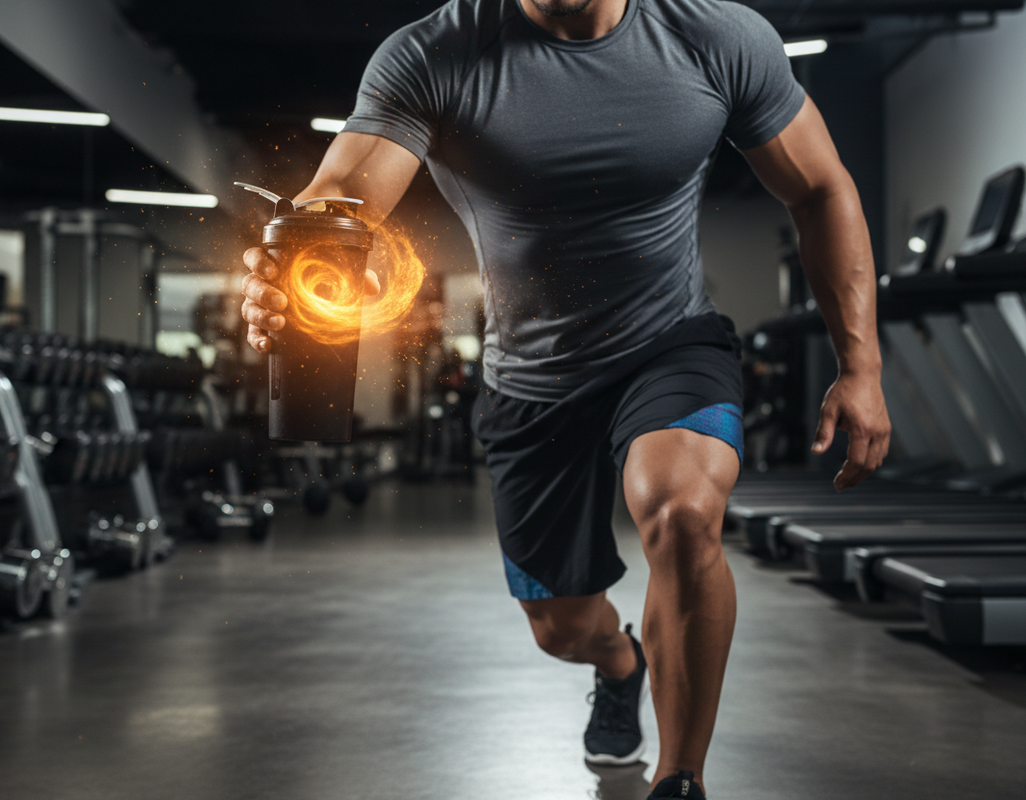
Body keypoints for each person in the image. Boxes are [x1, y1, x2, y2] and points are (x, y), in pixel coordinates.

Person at [240, 0, 891, 796]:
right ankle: (619, 664)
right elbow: (343, 199)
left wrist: (861, 367)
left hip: (670, 344)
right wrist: (320, 262)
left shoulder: (714, 36)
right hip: (530, 380)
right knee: (564, 628)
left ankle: (680, 778)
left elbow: (822, 188)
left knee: (684, 511)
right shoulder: (438, 54)